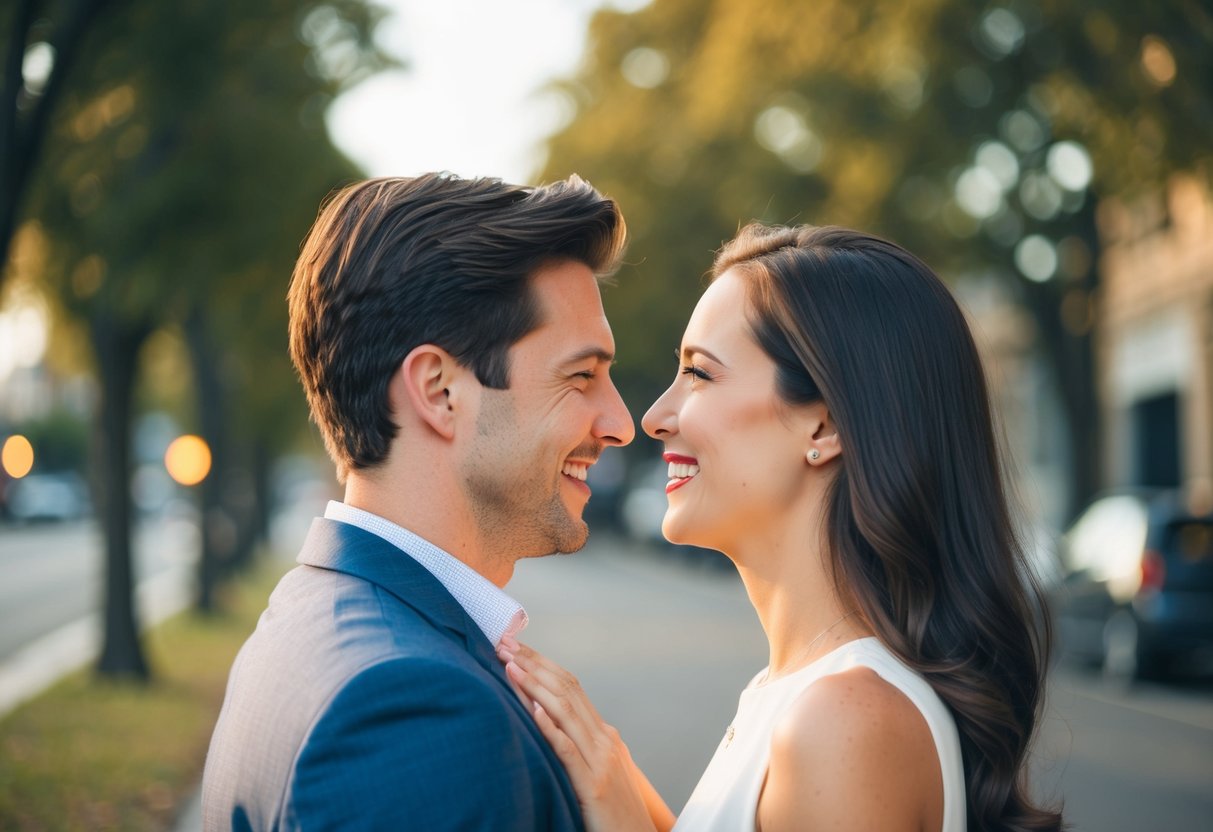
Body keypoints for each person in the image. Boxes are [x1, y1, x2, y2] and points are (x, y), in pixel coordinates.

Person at [500, 223, 1063, 832]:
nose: (656, 417)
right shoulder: (797, 694)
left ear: (823, 428)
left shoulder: (843, 721)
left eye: (701, 374)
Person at [201, 172, 635, 831]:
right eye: (581, 376)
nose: (619, 422)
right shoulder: (413, 713)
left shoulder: (307, 617)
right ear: (439, 390)